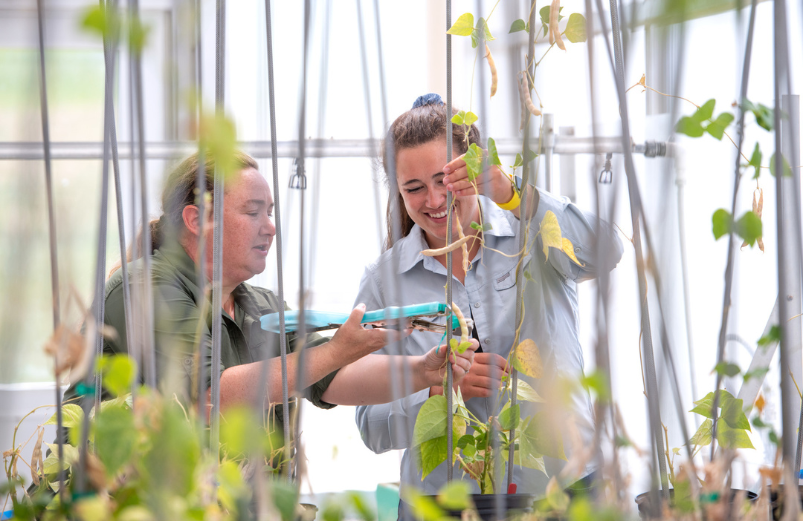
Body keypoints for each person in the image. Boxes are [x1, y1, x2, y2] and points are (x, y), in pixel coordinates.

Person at [65, 151, 477, 432]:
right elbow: (210, 394)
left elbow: (334, 378)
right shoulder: (146, 288)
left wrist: (422, 371)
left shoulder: (260, 306)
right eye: (253, 212)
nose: (270, 226)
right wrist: (336, 350)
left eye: (272, 212)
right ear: (195, 219)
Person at [354, 94, 624, 498]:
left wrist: (514, 195)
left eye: (445, 181)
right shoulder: (384, 282)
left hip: (562, 485)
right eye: (414, 188)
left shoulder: (531, 232)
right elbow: (370, 426)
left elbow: (608, 251)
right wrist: (436, 393)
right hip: (447, 500)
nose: (433, 200)